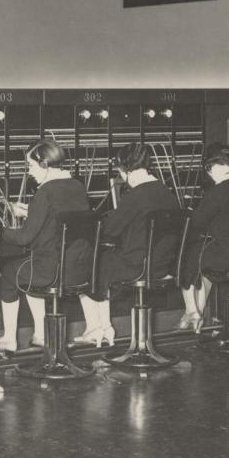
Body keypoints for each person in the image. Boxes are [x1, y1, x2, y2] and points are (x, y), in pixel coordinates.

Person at [0, 140, 90, 357]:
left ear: (45, 164)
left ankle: (9, 339)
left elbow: (24, 238)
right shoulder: (77, 186)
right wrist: (31, 212)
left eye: (31, 166)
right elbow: (59, 218)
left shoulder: (45, 191)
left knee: (9, 273)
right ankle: (41, 334)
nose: (29, 172)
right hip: (78, 268)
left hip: (49, 270)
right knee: (27, 271)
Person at [77, 143, 180, 347]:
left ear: (125, 170)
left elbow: (109, 230)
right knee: (105, 262)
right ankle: (103, 329)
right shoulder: (167, 193)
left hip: (136, 266)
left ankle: (98, 329)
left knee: (86, 265)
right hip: (161, 266)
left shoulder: (135, 196)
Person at [177, 143, 229, 331]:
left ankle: (192, 311)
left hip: (226, 257)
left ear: (214, 167)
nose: (210, 176)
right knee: (202, 263)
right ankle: (197, 315)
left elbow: (197, 222)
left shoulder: (218, 192)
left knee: (186, 256)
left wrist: (191, 213)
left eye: (209, 170)